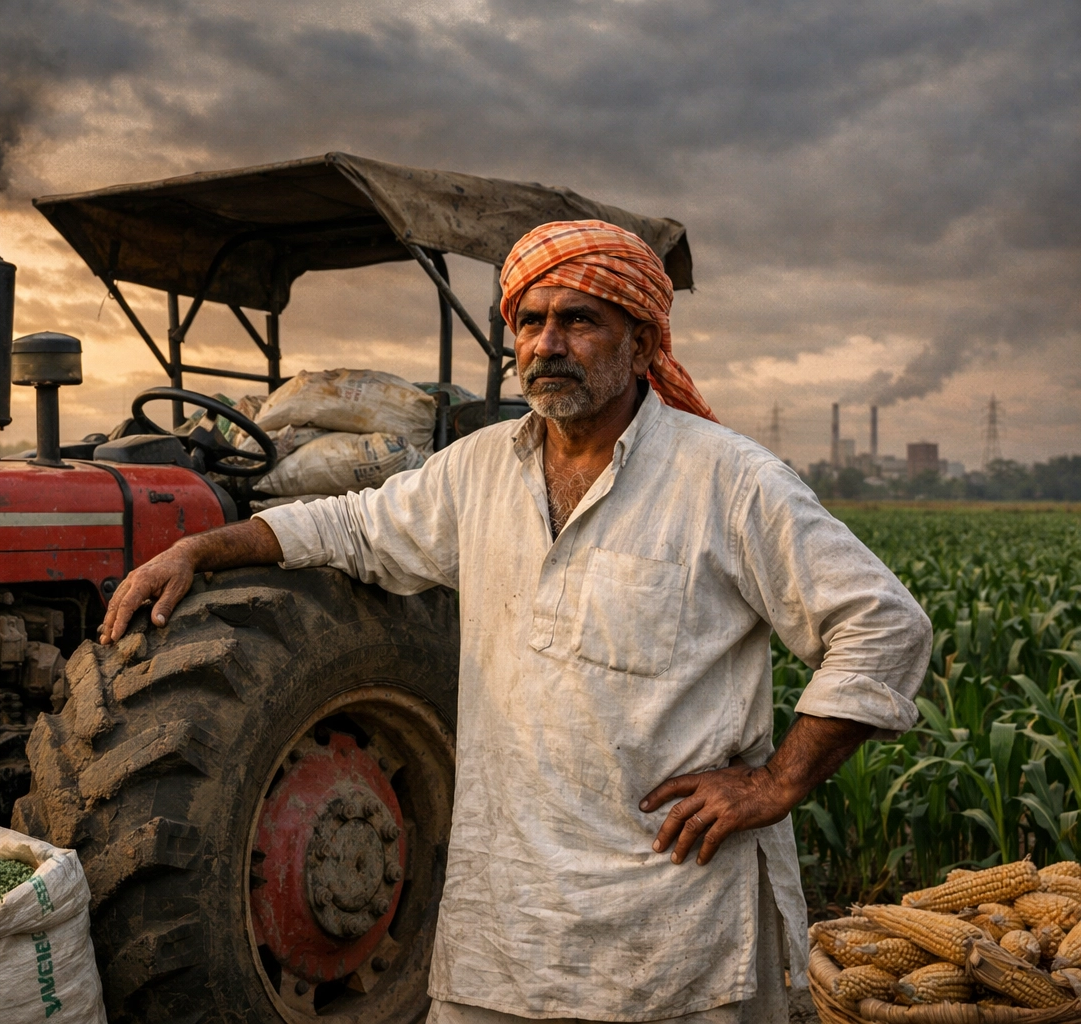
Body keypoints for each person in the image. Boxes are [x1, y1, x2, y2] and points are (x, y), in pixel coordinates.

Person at [99, 220, 932, 1023]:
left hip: (669, 929)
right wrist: (203, 550)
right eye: (529, 321)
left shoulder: (728, 480)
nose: (547, 343)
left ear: (642, 344)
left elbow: (883, 626)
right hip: (505, 927)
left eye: (579, 321)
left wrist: (776, 783)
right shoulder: (480, 469)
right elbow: (351, 525)